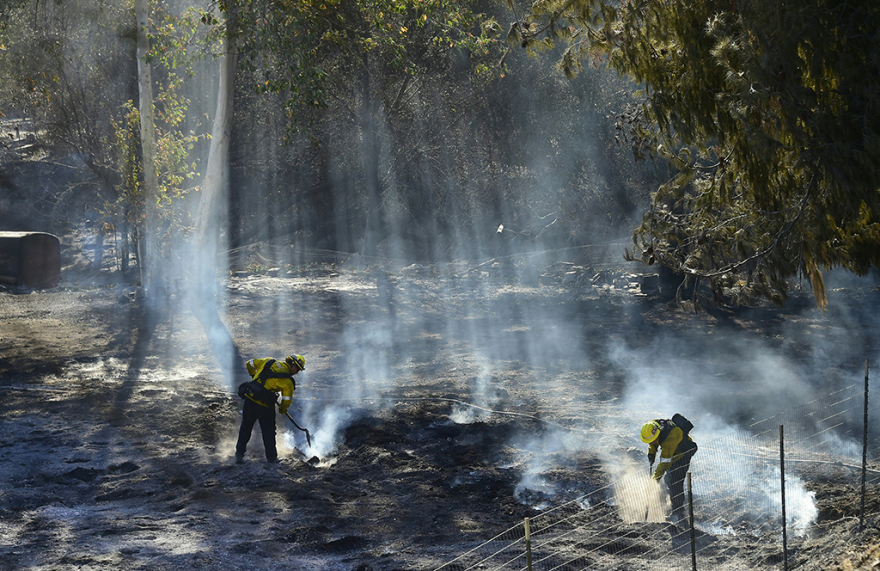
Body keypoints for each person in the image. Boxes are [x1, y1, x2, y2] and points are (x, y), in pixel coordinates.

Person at [235, 355, 305, 464]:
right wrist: (282, 410)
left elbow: (250, 363)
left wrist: (254, 376)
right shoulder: (288, 382)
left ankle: (239, 455)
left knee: (246, 427)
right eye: (297, 369)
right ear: (292, 365)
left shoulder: (269, 361)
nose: (297, 372)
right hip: (265, 407)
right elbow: (287, 400)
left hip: (250, 399)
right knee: (268, 432)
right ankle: (272, 459)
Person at [640, 415, 697, 525]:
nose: (651, 443)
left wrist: (654, 480)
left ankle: (678, 513)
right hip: (671, 452)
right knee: (668, 479)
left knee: (675, 482)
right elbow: (652, 442)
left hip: (683, 454)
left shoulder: (672, 435)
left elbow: (665, 462)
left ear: (656, 433)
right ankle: (672, 504)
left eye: (652, 441)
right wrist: (651, 453)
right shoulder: (653, 426)